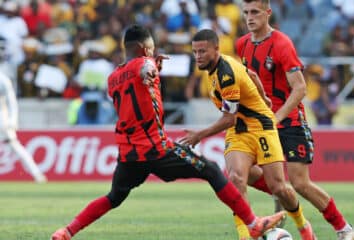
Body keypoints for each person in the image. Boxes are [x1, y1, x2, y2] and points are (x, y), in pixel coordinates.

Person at [51, 24, 285, 240]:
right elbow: (143, 69)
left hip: (129, 153)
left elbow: (135, 86)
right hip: (155, 148)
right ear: (144, 48)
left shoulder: (113, 78)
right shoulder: (146, 64)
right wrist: (150, 70)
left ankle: (67, 232)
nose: (153, 54)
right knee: (212, 170)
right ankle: (253, 223)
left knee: (113, 197)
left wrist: (151, 72)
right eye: (151, 49)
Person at [235, 1, 354, 240]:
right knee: (244, 173)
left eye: (255, 12)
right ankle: (282, 200)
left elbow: (300, 88)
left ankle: (344, 228)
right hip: (261, 123)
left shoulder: (281, 43)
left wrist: (277, 117)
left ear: (267, 13)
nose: (250, 18)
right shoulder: (242, 45)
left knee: (300, 182)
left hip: (290, 121)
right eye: (246, 13)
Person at [183, 29, 316, 240]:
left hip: (261, 126)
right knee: (236, 178)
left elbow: (229, 118)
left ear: (216, 49)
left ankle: (303, 226)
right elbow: (252, 75)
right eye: (195, 52)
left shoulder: (226, 73)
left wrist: (200, 135)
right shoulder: (216, 68)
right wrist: (264, 97)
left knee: (279, 188)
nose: (198, 56)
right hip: (239, 131)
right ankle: (246, 235)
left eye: (202, 51)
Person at [0, 72, 47, 183]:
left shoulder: (3, 80)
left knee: (14, 146)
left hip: (1, 118)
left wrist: (13, 119)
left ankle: (37, 174)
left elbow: (12, 102)